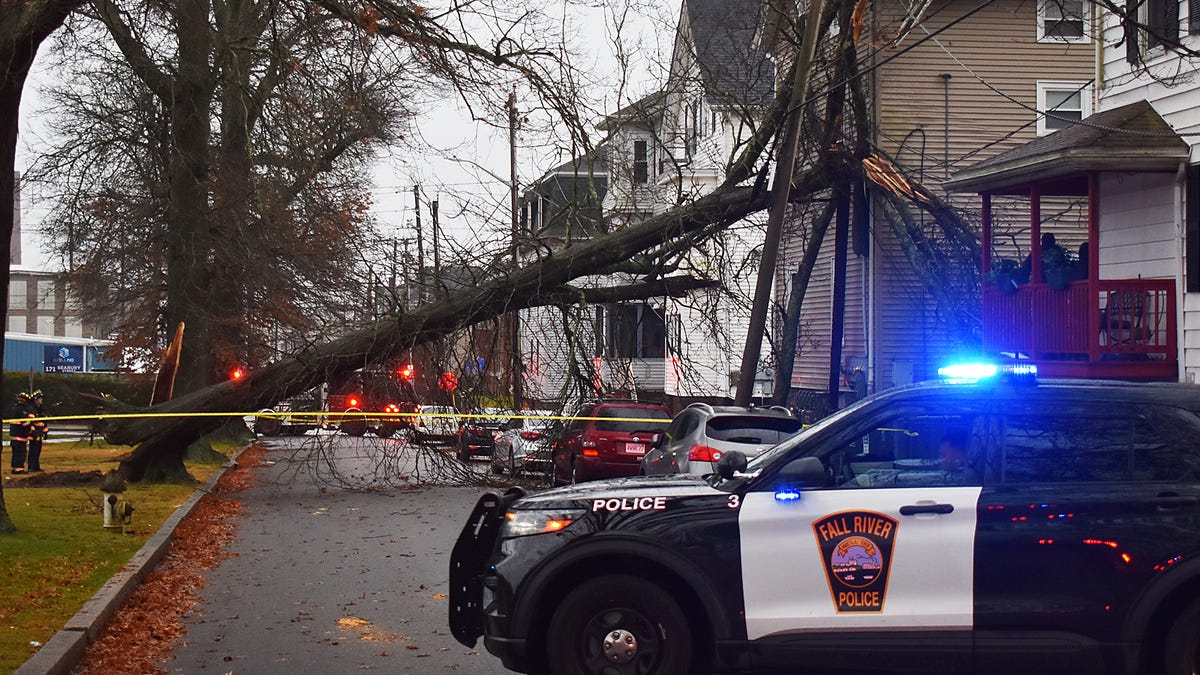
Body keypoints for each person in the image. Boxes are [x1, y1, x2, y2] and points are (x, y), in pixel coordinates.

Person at [8, 392, 32, 474]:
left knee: (16, 453)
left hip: (15, 436)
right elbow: (24, 423)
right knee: (21, 453)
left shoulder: (15, 408)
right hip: (20, 436)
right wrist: (30, 422)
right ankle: (19, 469)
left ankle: (15, 468)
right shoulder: (22, 410)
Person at [26, 390, 47, 472]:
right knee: (33, 451)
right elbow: (30, 422)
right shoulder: (31, 409)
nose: (41, 400)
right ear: (36, 399)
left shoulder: (41, 410)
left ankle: (36, 466)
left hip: (40, 433)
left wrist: (45, 432)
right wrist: (33, 432)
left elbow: (44, 422)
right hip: (33, 434)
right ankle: (31, 467)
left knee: (38, 451)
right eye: (40, 398)